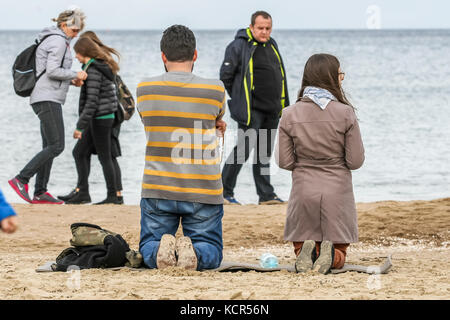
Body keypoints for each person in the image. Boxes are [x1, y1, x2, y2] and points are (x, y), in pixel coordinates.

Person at [138, 25, 227, 270]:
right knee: (210, 246)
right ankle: (195, 254)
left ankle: (159, 249)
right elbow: (216, 118)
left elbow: (147, 120)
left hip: (158, 187)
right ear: (195, 55)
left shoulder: (145, 89)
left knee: (148, 245)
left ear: (163, 56)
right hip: (203, 189)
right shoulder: (215, 89)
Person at [275, 54, 365, 274]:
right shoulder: (345, 113)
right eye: (340, 75)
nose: (341, 79)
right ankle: (330, 254)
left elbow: (284, 161)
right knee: (339, 253)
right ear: (332, 79)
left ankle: (308, 251)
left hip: (303, 192)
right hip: (337, 193)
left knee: (301, 249)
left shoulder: (289, 113)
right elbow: (355, 161)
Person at [8, 9, 87, 204]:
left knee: (49, 145)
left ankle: (40, 192)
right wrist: (76, 74)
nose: (76, 34)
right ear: (64, 26)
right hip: (46, 98)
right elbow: (52, 71)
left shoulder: (56, 40)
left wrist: (71, 81)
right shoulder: (58, 41)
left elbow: (49, 72)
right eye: (74, 29)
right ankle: (21, 179)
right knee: (57, 145)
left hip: (46, 96)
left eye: (79, 30)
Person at [220, 10, 290, 205]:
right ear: (251, 27)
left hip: (272, 109)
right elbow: (225, 76)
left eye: (268, 28)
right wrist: (239, 99)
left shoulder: (272, 44)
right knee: (242, 150)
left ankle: (266, 195)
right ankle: (224, 192)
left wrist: (284, 105)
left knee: (264, 154)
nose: (264, 32)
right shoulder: (238, 46)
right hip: (251, 111)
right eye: (260, 28)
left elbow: (280, 74)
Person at [58, 31, 124, 204]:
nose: (76, 57)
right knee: (80, 152)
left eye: (78, 53)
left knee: (105, 156)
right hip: (102, 117)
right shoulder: (98, 67)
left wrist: (80, 126)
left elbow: (92, 102)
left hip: (101, 118)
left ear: (85, 52)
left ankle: (112, 196)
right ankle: (83, 193)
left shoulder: (94, 70)